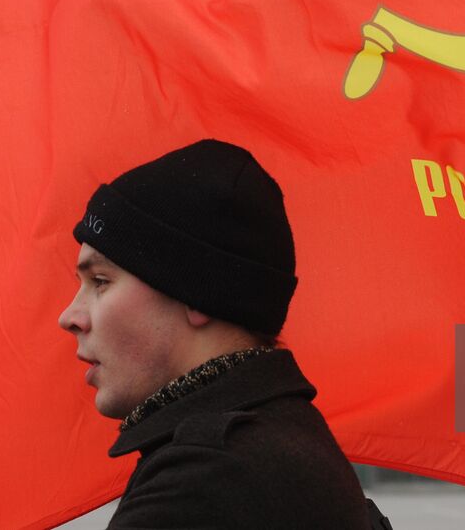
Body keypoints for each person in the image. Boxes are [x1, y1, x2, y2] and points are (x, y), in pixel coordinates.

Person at [58, 138, 392, 529]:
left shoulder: (206, 481)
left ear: (197, 292)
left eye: (100, 280)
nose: (70, 316)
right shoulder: (272, 440)